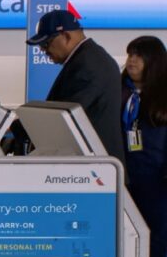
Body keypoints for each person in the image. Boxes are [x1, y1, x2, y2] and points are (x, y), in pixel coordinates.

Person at [26, 9, 125, 164]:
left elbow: (65, 114)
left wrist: (21, 127)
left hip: (95, 168)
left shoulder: (89, 64)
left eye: (46, 44)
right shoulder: (86, 58)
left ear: (66, 36)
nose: (43, 51)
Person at [122, 36, 167, 257]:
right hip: (125, 174)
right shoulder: (120, 91)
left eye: (139, 55)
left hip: (157, 177)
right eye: (130, 54)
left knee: (156, 233)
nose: (132, 60)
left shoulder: (162, 95)